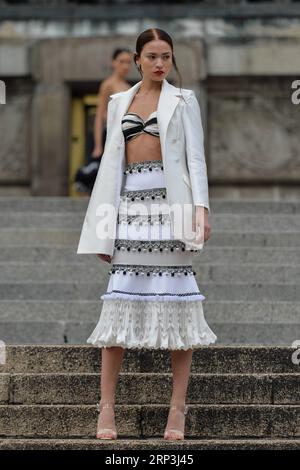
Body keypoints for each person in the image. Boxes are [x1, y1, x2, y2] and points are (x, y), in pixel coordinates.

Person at [77, 28, 218, 440]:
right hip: (129, 212)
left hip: (171, 211)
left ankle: (177, 410)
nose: (160, 63)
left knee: (179, 308)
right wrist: (105, 228)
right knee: (116, 306)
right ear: (137, 58)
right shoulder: (120, 100)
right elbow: (109, 170)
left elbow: (196, 159)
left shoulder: (184, 100)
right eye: (152, 56)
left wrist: (202, 211)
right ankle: (106, 408)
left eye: (167, 56)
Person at [74, 47, 132, 195]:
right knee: (103, 169)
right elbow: (99, 115)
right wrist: (98, 145)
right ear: (113, 63)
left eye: (128, 62)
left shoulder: (129, 87)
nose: (125, 66)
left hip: (124, 135)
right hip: (110, 133)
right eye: (121, 61)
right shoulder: (108, 84)